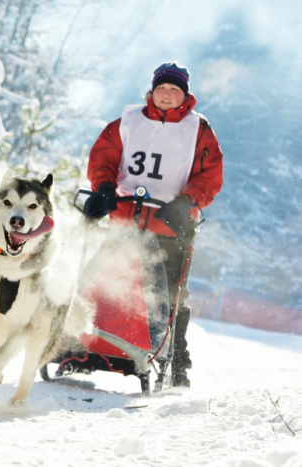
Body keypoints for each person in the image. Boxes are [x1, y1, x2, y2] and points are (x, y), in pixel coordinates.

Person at [83, 62, 223, 387]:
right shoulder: (128, 122)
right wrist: (104, 189)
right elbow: (103, 157)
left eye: (174, 90)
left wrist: (187, 201)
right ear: (153, 90)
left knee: (171, 297)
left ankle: (176, 361)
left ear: (185, 96)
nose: (167, 94)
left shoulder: (198, 129)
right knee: (102, 282)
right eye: (162, 88)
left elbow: (211, 175)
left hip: (170, 228)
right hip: (125, 221)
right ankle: (91, 346)